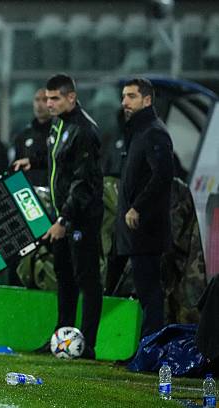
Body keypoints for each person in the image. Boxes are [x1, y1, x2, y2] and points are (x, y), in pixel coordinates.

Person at [13, 74, 104, 359]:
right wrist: (33, 161)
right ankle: (61, 337)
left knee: (87, 279)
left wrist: (64, 220)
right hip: (61, 217)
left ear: (71, 97)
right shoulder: (59, 124)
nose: (49, 103)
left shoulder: (84, 131)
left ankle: (87, 344)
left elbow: (83, 182)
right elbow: (58, 159)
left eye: (54, 98)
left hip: (81, 218)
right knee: (64, 278)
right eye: (47, 98)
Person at [116, 77, 173, 338]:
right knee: (144, 290)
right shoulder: (139, 131)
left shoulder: (154, 132)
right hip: (135, 229)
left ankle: (151, 348)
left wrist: (137, 207)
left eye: (131, 96)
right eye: (123, 96)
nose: (124, 102)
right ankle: (145, 346)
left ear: (147, 100)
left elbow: (163, 175)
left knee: (150, 292)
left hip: (147, 227)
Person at [10, 87, 52, 187]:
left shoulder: (58, 132)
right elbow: (16, 167)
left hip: (53, 191)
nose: (39, 104)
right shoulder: (23, 135)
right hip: (29, 191)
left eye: (44, 100)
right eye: (37, 100)